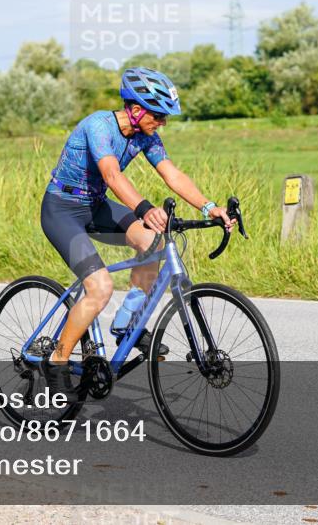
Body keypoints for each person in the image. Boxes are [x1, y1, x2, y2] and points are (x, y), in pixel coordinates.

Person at [40, 67, 233, 402]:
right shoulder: (98, 125)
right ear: (137, 109)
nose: (163, 123)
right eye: (159, 116)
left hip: (95, 206)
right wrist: (144, 209)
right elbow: (112, 175)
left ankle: (126, 322)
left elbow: (172, 174)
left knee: (153, 241)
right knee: (100, 287)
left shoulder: (145, 135)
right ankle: (57, 361)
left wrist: (209, 207)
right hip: (62, 210)